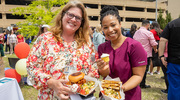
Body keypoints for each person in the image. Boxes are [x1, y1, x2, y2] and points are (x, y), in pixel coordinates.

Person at [26, 1, 99, 100]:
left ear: (82, 22)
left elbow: (94, 66)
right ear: (62, 15)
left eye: (78, 18)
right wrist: (51, 83)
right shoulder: (45, 39)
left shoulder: (86, 42)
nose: (73, 19)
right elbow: (31, 67)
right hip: (50, 96)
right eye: (70, 15)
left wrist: (86, 80)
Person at [97, 5, 147, 100]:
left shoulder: (134, 46)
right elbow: (104, 75)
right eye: (105, 27)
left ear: (120, 24)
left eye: (113, 25)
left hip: (129, 95)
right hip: (107, 95)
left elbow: (138, 75)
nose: (110, 30)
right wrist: (103, 69)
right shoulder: (102, 48)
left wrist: (120, 89)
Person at [159, 18, 180, 99]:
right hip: (173, 62)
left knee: (174, 87)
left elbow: (162, 40)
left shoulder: (172, 24)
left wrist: (161, 56)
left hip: (174, 62)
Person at [133, 20, 158, 88]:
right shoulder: (148, 33)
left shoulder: (136, 32)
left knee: (136, 68)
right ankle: (142, 84)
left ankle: (135, 82)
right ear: (147, 25)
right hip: (145, 53)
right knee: (144, 69)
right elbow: (153, 43)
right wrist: (155, 49)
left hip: (136, 53)